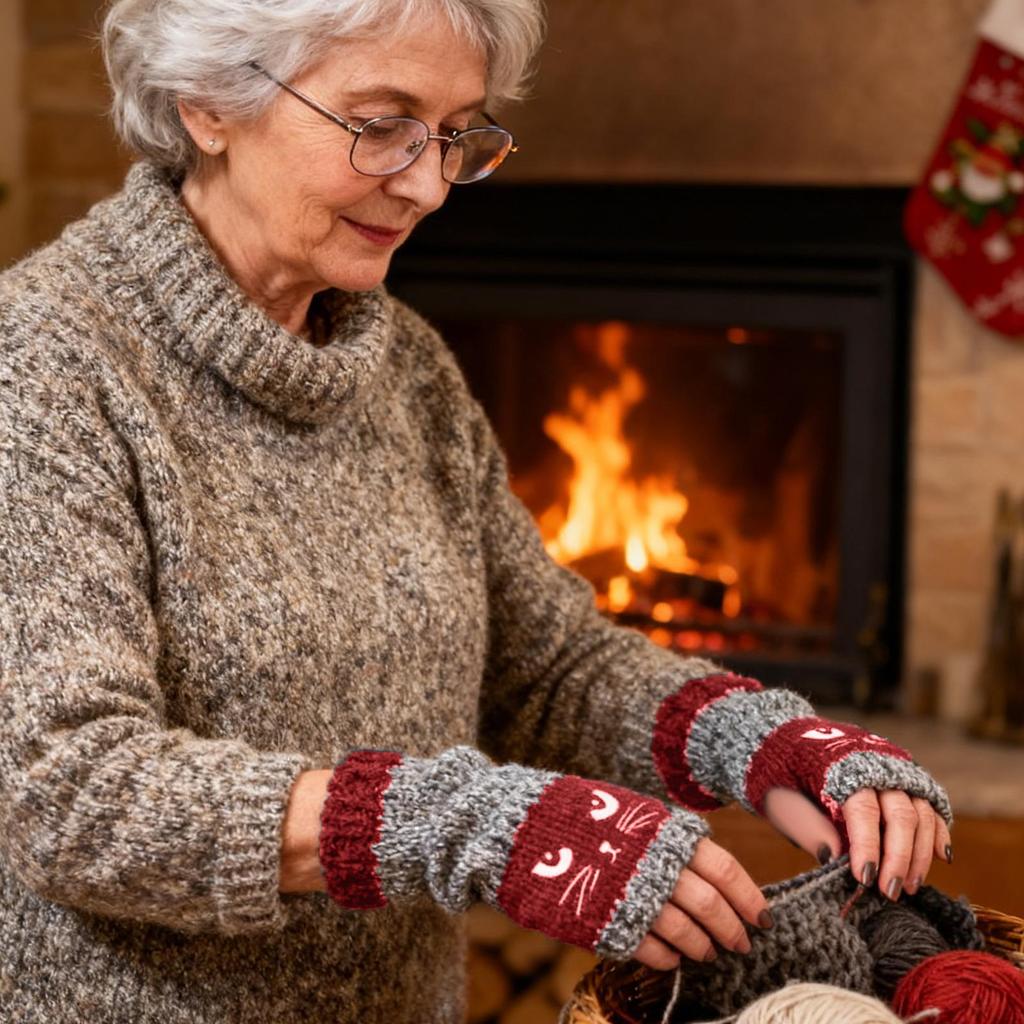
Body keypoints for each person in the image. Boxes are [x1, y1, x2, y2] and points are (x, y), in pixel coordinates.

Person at [0, 1, 952, 1021]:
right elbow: (67, 793)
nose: (427, 185)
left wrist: (760, 742)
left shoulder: (403, 366)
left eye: (455, 135)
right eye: (381, 125)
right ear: (207, 104)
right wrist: (475, 824)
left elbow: (547, 665)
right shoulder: (43, 365)